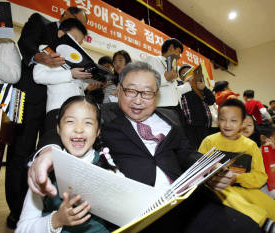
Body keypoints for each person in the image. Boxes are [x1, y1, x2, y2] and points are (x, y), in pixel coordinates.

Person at [28, 61, 262, 233]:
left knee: (247, 228)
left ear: (157, 95)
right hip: (141, 216)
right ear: (119, 89)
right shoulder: (103, 115)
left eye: (147, 93)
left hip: (189, 202)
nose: (138, 100)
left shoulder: (171, 117)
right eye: (131, 91)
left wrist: (211, 169)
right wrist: (47, 150)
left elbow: (186, 152)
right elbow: (67, 124)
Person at [5, 7, 89, 229]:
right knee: (20, 152)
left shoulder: (74, 53)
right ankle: (15, 210)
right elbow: (26, 45)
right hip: (30, 98)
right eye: (73, 22)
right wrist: (39, 57)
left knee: (49, 156)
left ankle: (42, 207)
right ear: (63, 18)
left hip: (54, 107)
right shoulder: (40, 22)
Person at [16, 95, 121, 233]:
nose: (79, 129)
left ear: (98, 131)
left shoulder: (107, 163)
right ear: (58, 129)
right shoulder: (44, 171)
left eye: (88, 123)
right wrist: (57, 220)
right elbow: (22, 230)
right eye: (70, 121)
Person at [199, 99, 275, 233]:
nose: (227, 124)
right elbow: (197, 170)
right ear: (217, 120)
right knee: (237, 203)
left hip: (245, 189)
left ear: (242, 123)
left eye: (233, 120)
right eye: (223, 119)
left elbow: (260, 177)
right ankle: (265, 224)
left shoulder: (250, 146)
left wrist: (236, 178)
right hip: (218, 189)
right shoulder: (209, 141)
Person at [33, 18, 100, 134]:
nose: (76, 45)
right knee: (54, 144)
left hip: (78, 110)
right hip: (58, 109)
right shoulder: (48, 51)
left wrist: (86, 87)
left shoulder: (74, 57)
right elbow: (38, 76)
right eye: (74, 39)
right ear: (61, 34)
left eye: (79, 43)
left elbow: (74, 83)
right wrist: (70, 74)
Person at [144, 38, 192, 108]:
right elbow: (145, 83)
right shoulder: (153, 59)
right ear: (171, 48)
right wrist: (164, 78)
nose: (179, 56)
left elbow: (173, 90)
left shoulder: (173, 66)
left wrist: (188, 84)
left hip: (176, 108)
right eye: (179, 52)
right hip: (161, 107)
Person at [177, 64, 215, 149]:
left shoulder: (199, 86)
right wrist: (185, 85)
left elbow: (211, 101)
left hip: (204, 126)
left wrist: (204, 88)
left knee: (206, 151)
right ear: (180, 76)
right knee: (194, 152)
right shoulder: (178, 88)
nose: (188, 76)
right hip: (189, 128)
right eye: (184, 73)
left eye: (190, 73)